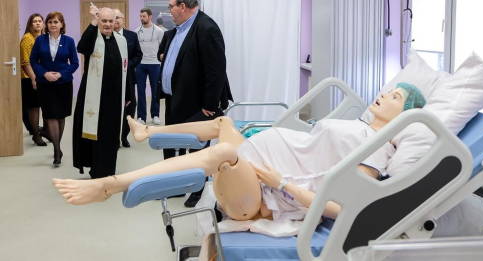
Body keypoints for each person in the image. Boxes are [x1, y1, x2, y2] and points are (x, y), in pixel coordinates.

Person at [53, 84, 425, 223]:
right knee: (221, 124)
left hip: (263, 193)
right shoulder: (361, 127)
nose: (385, 93)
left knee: (223, 153)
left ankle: (109, 185)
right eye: (389, 89)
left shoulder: (378, 151)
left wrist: (283, 184)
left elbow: (346, 209)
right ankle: (147, 131)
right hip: (258, 159)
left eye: (396, 97)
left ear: (406, 115)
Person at [157, 0, 233, 207]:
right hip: (175, 99)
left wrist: (210, 106)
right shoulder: (177, 31)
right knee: (171, 144)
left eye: (171, 6)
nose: (169, 11)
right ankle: (175, 185)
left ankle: (196, 190)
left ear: (182, 6)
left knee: (197, 150)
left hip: (198, 104)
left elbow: (216, 69)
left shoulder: (206, 28)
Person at [72, 5, 128, 178]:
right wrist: (93, 22)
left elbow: (127, 69)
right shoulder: (93, 38)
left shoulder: (121, 40)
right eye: (104, 20)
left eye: (111, 21)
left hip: (114, 98)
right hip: (94, 96)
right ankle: (96, 168)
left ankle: (108, 169)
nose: (108, 24)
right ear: (98, 22)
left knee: (110, 136)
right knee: (95, 134)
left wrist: (128, 95)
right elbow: (81, 47)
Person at [30, 12, 79, 166]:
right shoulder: (40, 40)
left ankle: (57, 146)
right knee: (50, 115)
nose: (52, 24)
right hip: (45, 84)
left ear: (61, 24)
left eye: (56, 22)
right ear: (47, 25)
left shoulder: (69, 41)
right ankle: (57, 150)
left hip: (63, 83)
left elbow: (75, 63)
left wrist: (61, 74)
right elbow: (33, 60)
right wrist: (44, 73)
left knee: (61, 116)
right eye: (50, 22)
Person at [113, 9, 143, 148]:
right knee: (113, 108)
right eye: (113, 18)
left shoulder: (131, 35)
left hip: (129, 78)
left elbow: (138, 54)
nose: (116, 20)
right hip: (111, 79)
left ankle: (124, 136)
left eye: (118, 17)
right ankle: (113, 137)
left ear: (123, 19)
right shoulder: (104, 36)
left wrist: (128, 65)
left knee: (130, 108)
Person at [20, 13, 47, 146]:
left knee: (43, 106)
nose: (37, 23)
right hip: (29, 78)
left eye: (39, 21)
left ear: (43, 24)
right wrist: (33, 78)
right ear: (30, 24)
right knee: (34, 108)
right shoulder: (27, 38)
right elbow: (25, 62)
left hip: (42, 76)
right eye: (34, 21)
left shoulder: (43, 38)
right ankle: (36, 135)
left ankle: (42, 131)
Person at [134, 8, 164, 125]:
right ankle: (141, 116)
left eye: (144, 16)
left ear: (150, 16)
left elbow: (162, 48)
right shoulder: (136, 31)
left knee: (155, 91)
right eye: (140, 16)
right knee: (140, 91)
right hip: (140, 64)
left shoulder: (158, 31)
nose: (142, 18)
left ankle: (155, 115)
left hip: (155, 64)